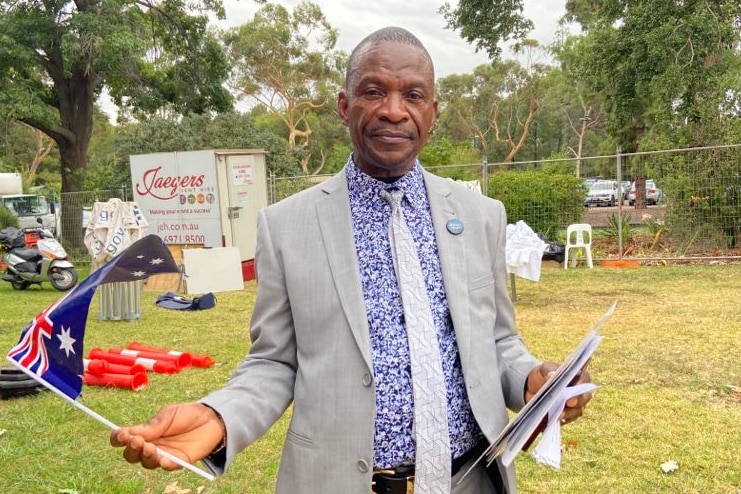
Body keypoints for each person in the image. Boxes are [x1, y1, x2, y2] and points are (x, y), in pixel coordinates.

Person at [110, 26, 593, 494]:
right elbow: (274, 362)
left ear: (433, 112)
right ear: (344, 106)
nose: (394, 111)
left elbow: (498, 342)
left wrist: (533, 377)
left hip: (468, 481)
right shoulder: (286, 226)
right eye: (373, 91)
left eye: (414, 96)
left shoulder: (480, 216)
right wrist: (219, 416)